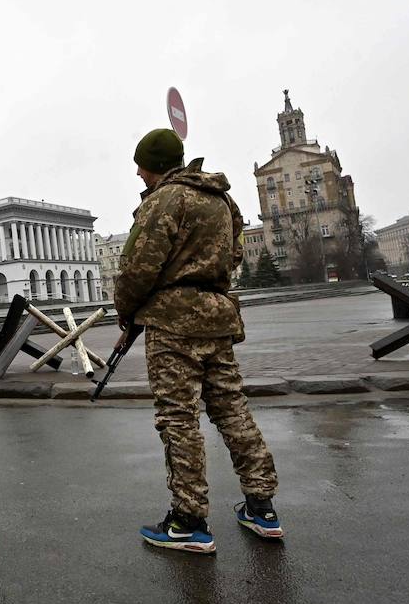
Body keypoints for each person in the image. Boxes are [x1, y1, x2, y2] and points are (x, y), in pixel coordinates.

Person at [113, 129, 283, 554]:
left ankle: (188, 520)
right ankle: (261, 506)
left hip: (173, 324)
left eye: (140, 166)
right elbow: (235, 253)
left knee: (178, 417)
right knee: (231, 408)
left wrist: (127, 309)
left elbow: (138, 267)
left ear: (151, 166)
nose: (138, 173)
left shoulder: (163, 201)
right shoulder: (224, 201)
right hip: (218, 316)